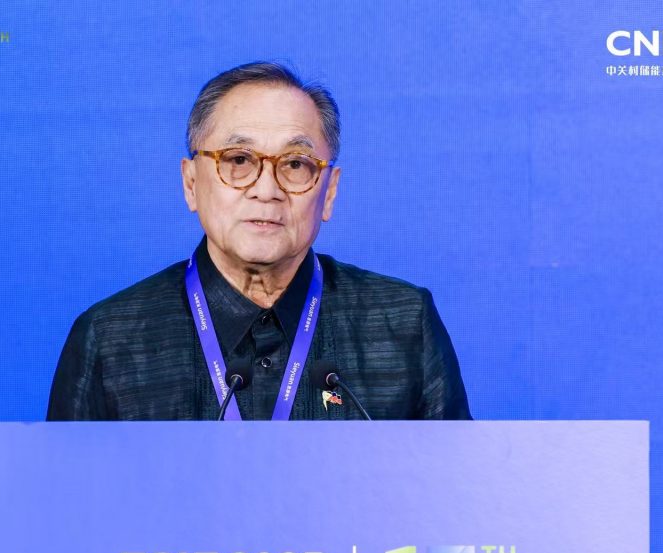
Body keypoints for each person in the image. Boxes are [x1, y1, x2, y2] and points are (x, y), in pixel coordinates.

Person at [48, 62, 469, 420]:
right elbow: (65, 507)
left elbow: (456, 500)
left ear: (330, 192)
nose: (266, 189)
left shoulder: (403, 324)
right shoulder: (110, 338)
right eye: (238, 160)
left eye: (296, 164)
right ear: (191, 183)